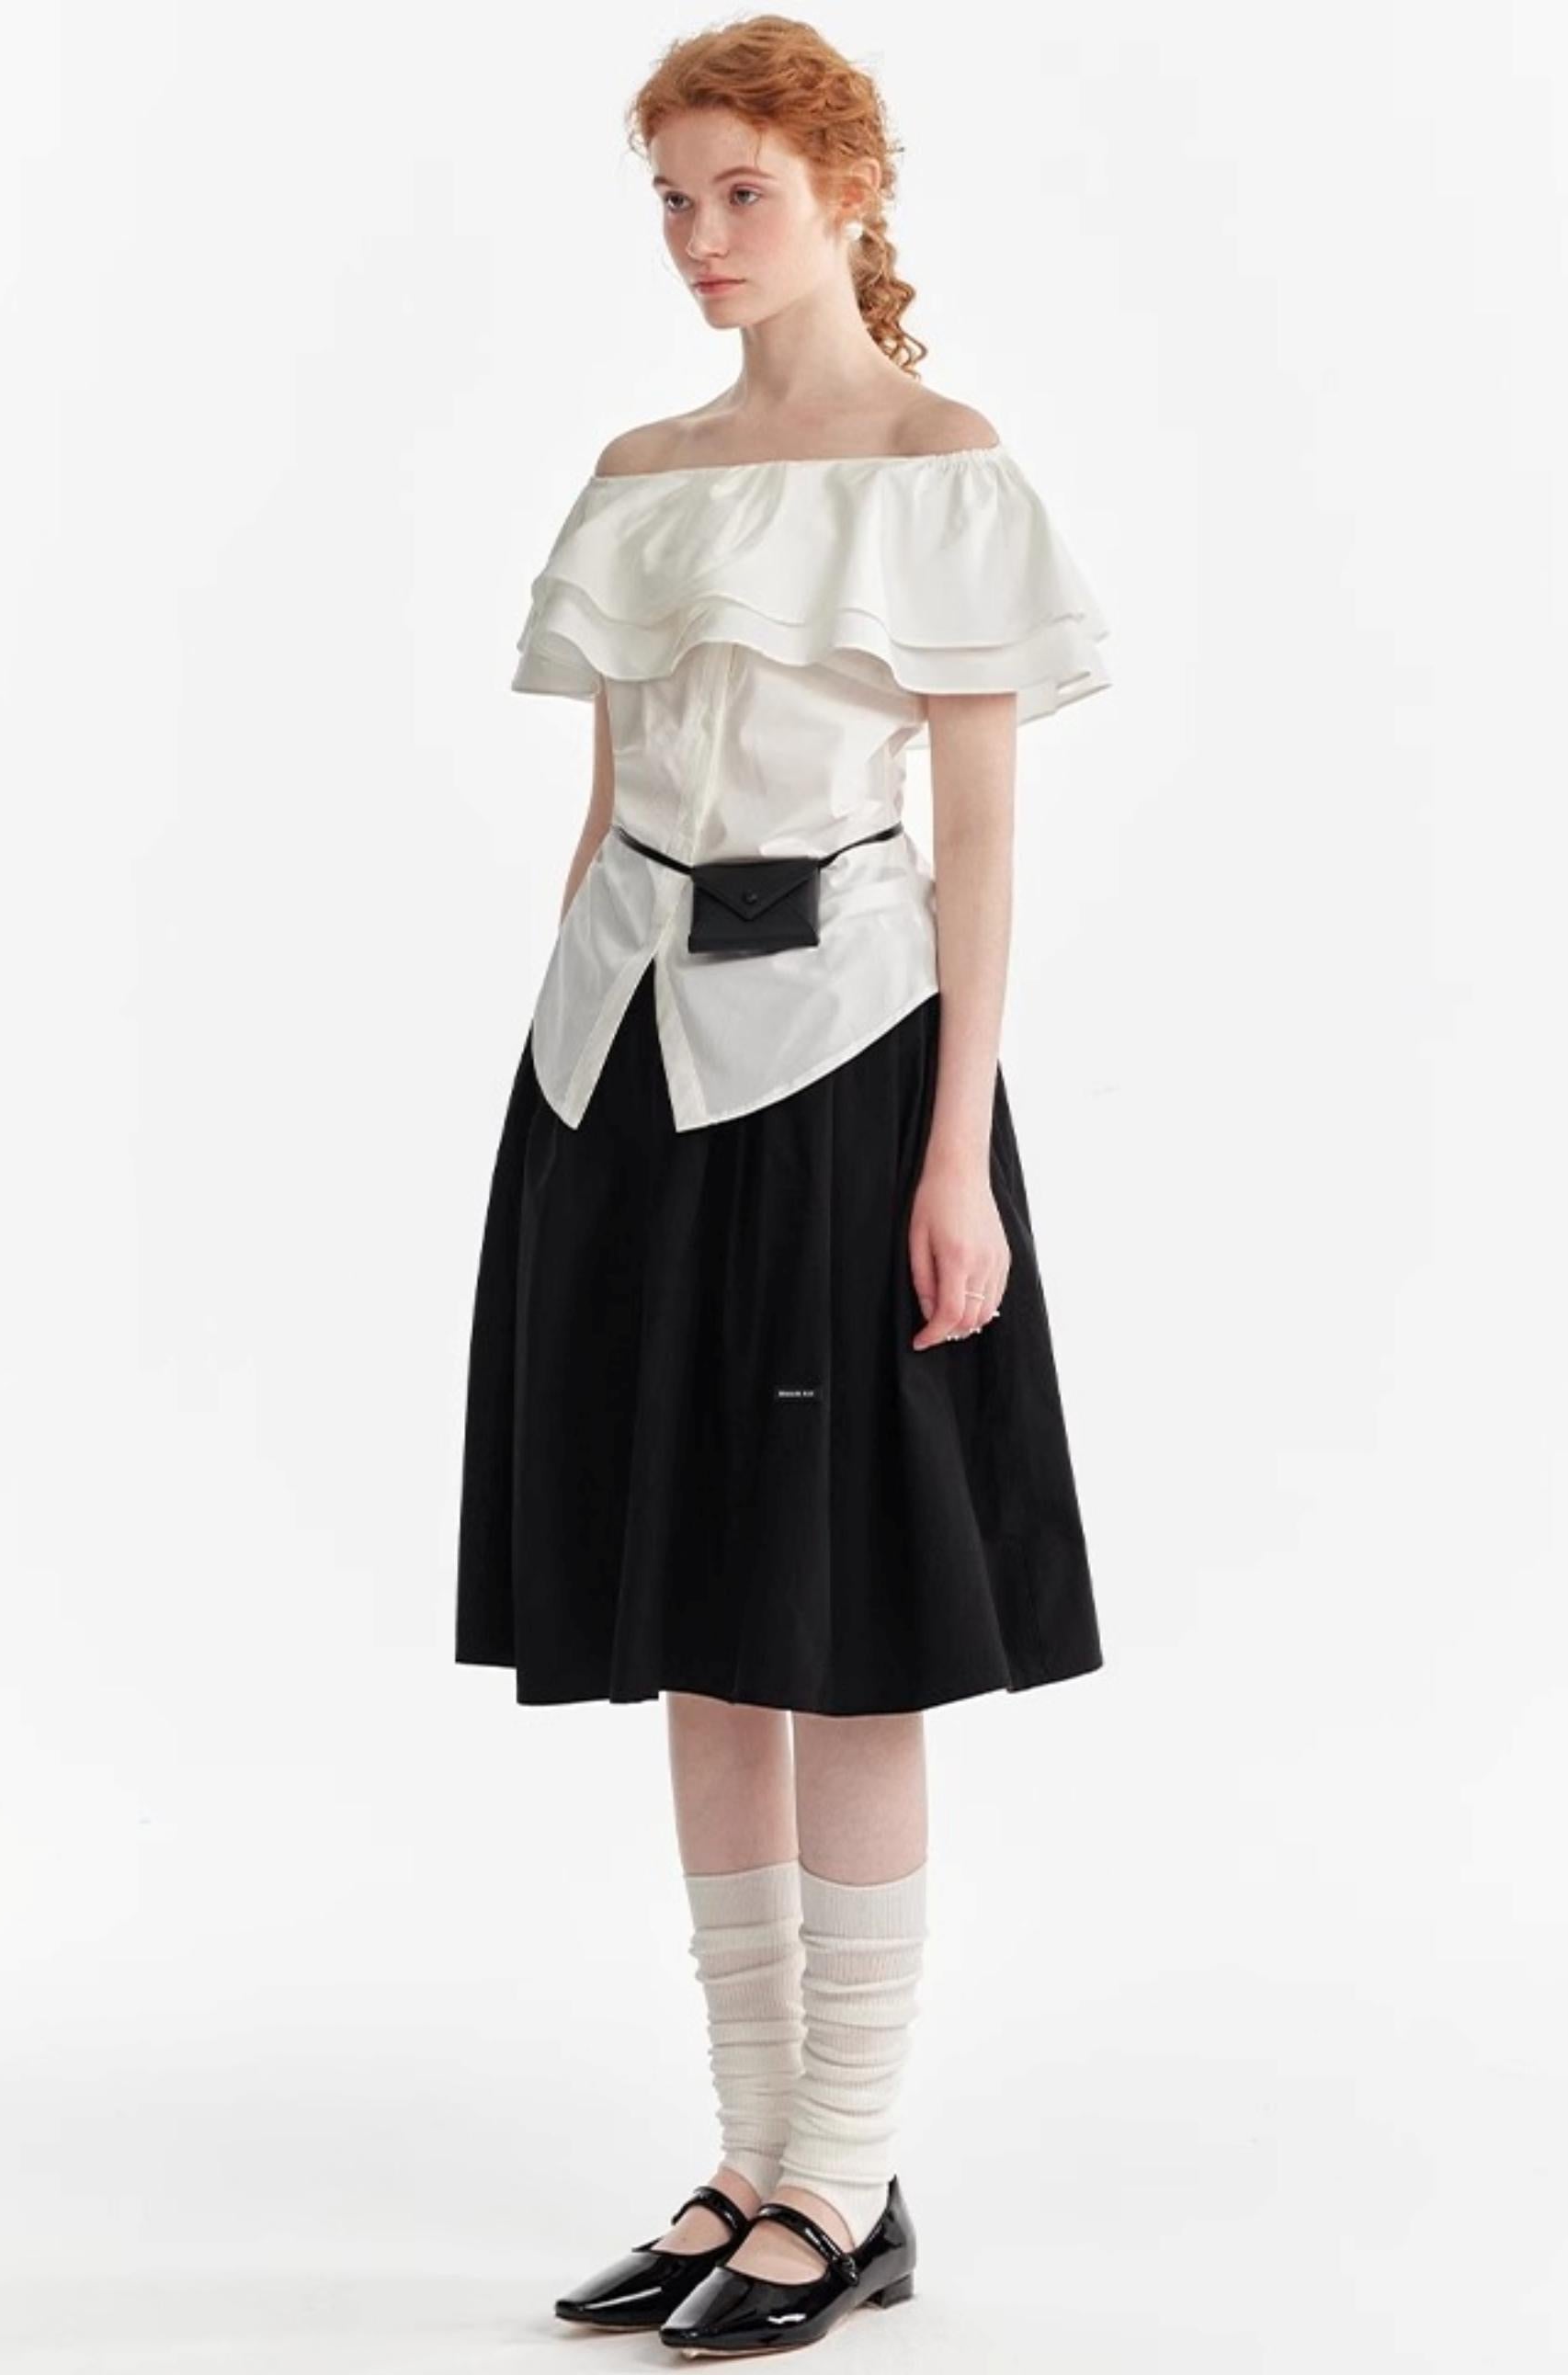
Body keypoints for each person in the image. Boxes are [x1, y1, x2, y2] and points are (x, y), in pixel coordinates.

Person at [454, 16, 1112, 2356]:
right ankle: (748, 2156)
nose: (697, 236)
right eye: (669, 194)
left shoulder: (940, 466)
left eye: (738, 188)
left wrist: (957, 1160)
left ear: (845, 190)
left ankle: (847, 2168)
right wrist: (560, 1122)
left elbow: (978, 842)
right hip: (613, 1074)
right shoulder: (640, 472)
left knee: (838, 1616)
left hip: (842, 1064)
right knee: (690, 1609)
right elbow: (605, 812)